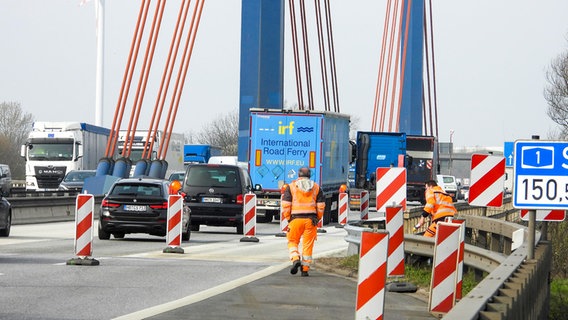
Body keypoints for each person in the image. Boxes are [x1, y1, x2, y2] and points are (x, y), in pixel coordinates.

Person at [281, 167, 325, 276]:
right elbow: (321, 206)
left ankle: (295, 259)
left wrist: (288, 219)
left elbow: (286, 205)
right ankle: (305, 270)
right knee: (308, 245)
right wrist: (317, 218)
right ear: (310, 175)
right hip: (310, 220)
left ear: (298, 175)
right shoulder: (316, 187)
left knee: (292, 241)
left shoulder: (291, 187)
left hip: (295, 219)